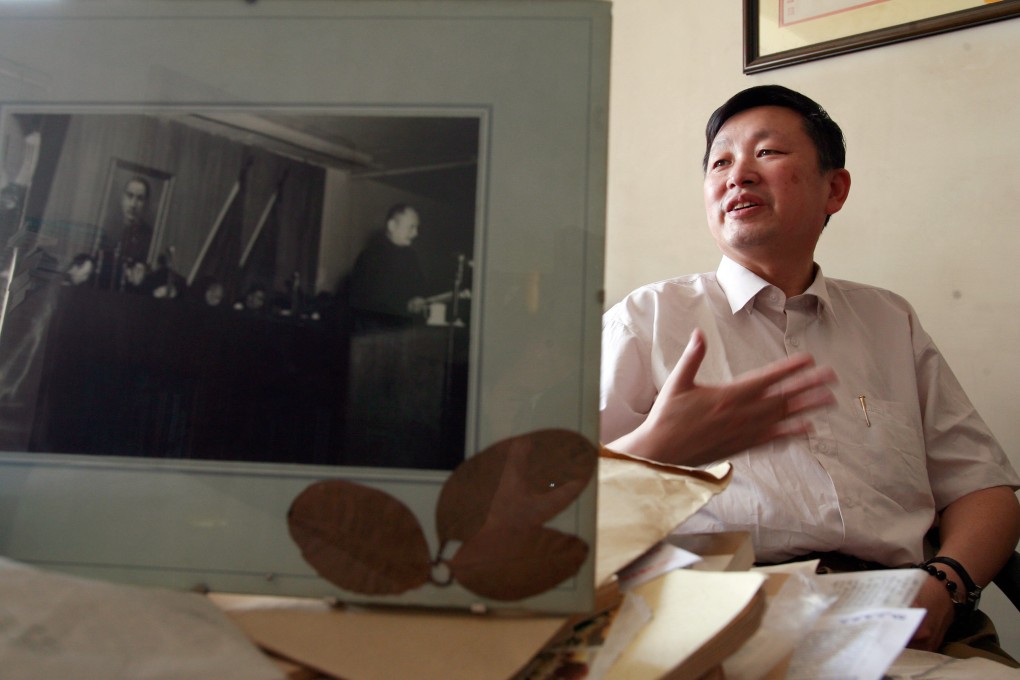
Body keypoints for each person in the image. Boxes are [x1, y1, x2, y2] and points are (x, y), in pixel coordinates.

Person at [600, 85, 1020, 661]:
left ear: (835, 189)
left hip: (910, 620)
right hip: (724, 629)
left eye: (767, 153)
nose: (737, 175)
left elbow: (982, 487)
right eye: (720, 161)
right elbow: (553, 513)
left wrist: (946, 583)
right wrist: (655, 446)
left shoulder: (887, 319)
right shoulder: (647, 320)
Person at [347, 203, 429, 331]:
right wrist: (405, 306)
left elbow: (420, 286)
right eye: (411, 227)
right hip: (372, 332)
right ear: (392, 225)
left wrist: (419, 299)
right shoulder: (370, 256)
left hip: (403, 330)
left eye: (417, 228)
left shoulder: (411, 256)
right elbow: (366, 301)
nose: (415, 234)